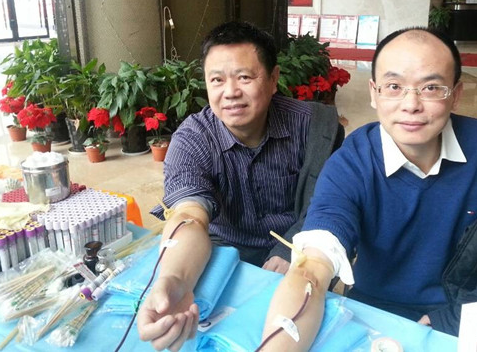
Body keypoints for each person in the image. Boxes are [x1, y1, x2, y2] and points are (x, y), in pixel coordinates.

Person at [259, 27, 477, 352]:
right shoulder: (352, 162)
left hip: (468, 308)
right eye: (394, 87)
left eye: (431, 87)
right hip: (378, 314)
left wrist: (453, 320)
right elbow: (314, 262)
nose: (411, 104)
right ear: (374, 93)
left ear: (456, 94)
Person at [137, 21, 343, 350]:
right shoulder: (193, 139)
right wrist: (173, 279)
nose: (230, 92)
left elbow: (330, 205)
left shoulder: (314, 127)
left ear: (273, 79)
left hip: (301, 255)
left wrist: (291, 250)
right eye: (217, 80)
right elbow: (189, 216)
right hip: (223, 256)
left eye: (244, 77)